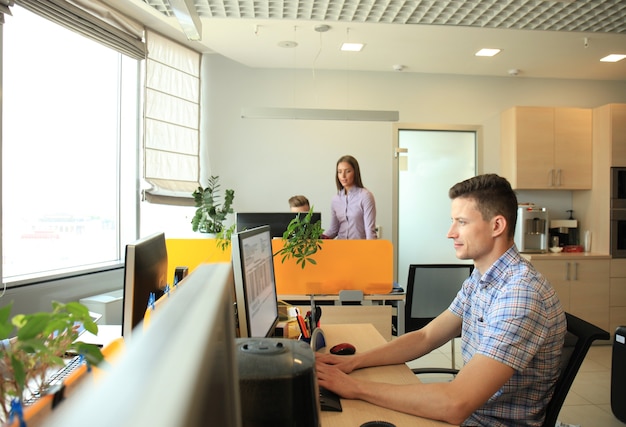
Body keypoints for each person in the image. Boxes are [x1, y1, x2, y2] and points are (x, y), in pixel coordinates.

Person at [316, 174, 566, 426]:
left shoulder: (519, 294)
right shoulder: (481, 279)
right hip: (469, 413)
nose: (450, 233)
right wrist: (353, 362)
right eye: (452, 221)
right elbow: (426, 336)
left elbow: (455, 403)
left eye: (462, 222)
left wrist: (355, 388)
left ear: (497, 226)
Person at [323, 155, 377, 240]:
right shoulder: (335, 199)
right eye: (339, 172)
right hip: (340, 248)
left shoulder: (365, 196)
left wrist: (371, 251)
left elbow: (370, 231)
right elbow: (333, 230)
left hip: (359, 249)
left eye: (347, 171)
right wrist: (317, 238)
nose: (343, 176)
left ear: (355, 172)